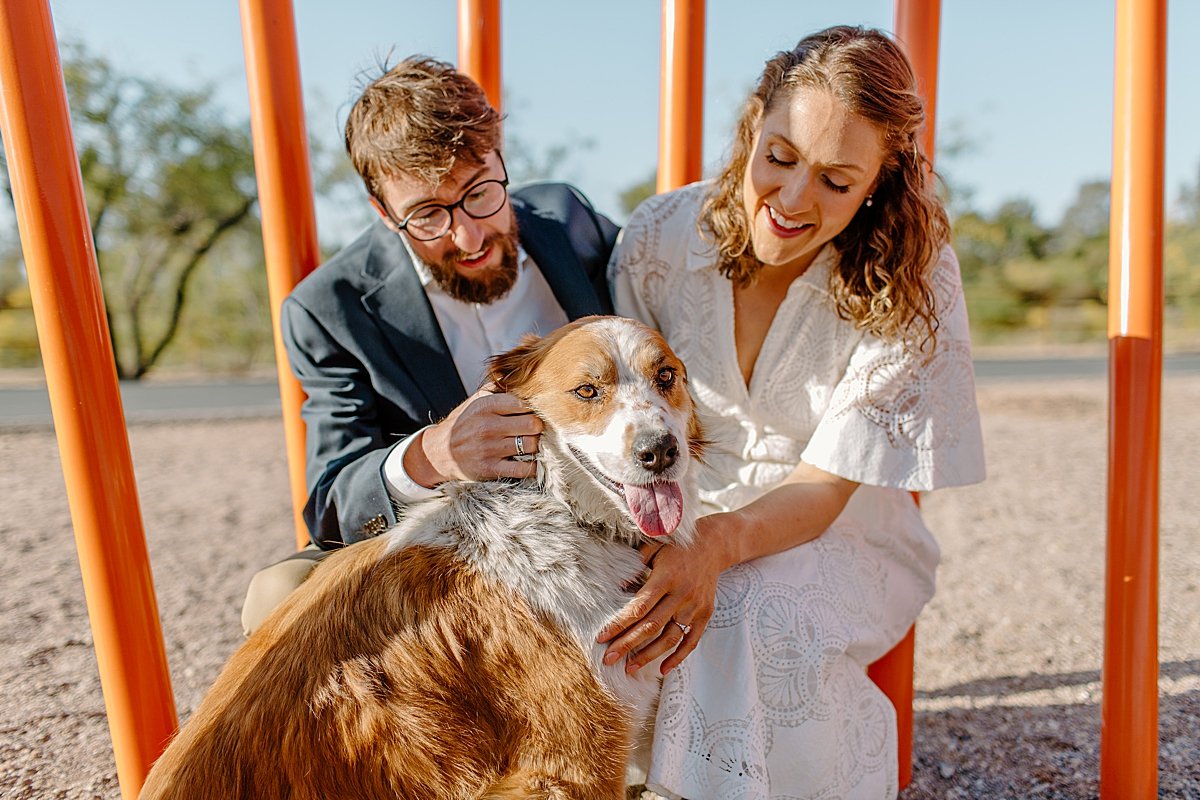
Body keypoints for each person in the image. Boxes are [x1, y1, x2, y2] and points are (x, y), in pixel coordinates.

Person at [604, 26, 986, 799]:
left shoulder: (917, 281)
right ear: (753, 125)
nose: (791, 200)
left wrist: (716, 545)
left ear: (880, 182)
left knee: (746, 608)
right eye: (779, 158)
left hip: (840, 525)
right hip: (673, 503)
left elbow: (827, 484)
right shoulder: (658, 237)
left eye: (837, 181)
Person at [241, 56, 617, 634]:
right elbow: (331, 504)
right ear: (383, 213)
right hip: (450, 539)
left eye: (479, 192)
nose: (468, 237)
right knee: (277, 594)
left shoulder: (571, 224)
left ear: (500, 157)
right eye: (427, 215)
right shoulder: (328, 309)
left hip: (605, 508)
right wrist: (432, 456)